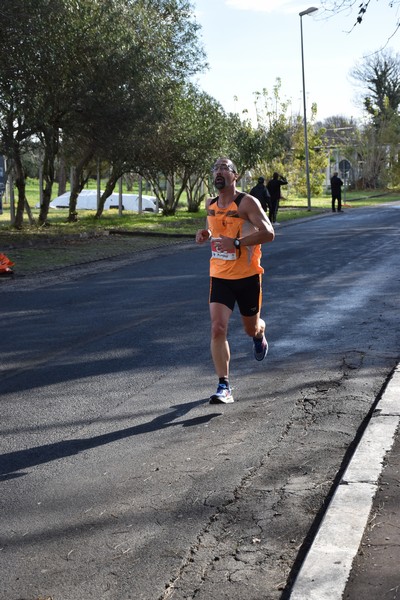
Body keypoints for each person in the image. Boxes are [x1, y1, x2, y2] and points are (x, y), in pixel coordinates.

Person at [195, 157, 275, 404]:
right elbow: (216, 229)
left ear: (235, 175)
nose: (218, 171)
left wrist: (237, 243)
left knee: (250, 327)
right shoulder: (210, 203)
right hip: (220, 275)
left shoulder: (247, 202)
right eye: (215, 168)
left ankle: (259, 335)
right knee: (217, 327)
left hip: (248, 277)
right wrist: (205, 234)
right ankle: (224, 385)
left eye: (224, 168)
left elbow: (269, 233)